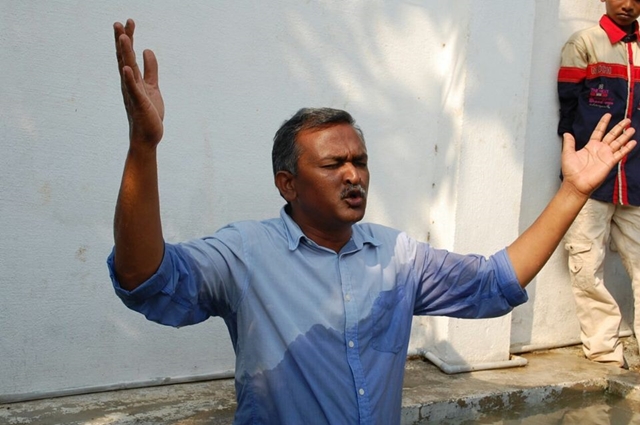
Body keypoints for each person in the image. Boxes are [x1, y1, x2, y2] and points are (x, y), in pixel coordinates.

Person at [110, 18, 636, 425]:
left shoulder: (396, 256)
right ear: (287, 184)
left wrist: (572, 192)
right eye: (333, 164)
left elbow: (493, 283)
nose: (353, 174)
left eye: (359, 161)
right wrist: (143, 148)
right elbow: (145, 277)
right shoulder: (247, 253)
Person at [557, 0, 640, 368]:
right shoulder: (584, 44)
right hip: (592, 182)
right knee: (586, 265)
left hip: (636, 179)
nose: (628, 4)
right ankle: (604, 351)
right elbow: (568, 112)